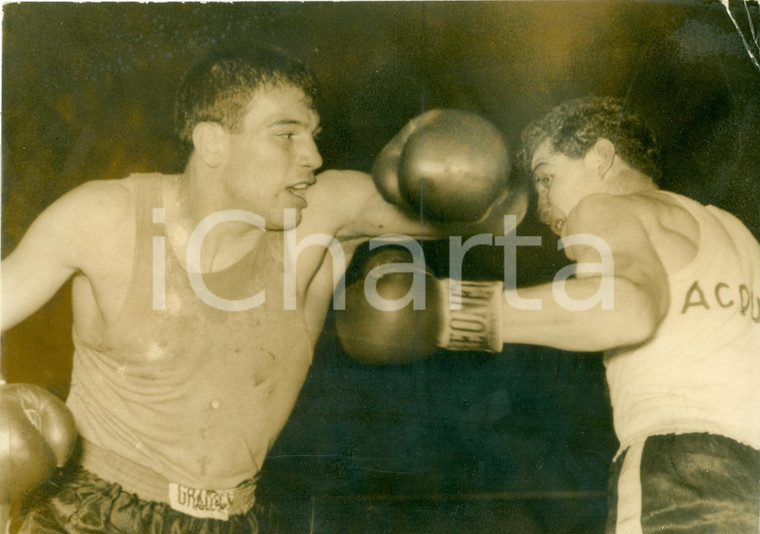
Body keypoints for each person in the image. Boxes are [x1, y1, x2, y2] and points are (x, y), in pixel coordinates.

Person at [0, 46, 527, 533]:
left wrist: (487, 179)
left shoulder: (323, 213)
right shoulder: (104, 219)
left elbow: (488, 213)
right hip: (89, 512)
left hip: (233, 518)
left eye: (314, 135)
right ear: (212, 142)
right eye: (287, 134)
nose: (314, 156)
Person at [338, 96, 760, 532]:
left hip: (684, 471)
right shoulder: (732, 231)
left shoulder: (602, 209)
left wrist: (446, 312)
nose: (542, 208)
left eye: (546, 177)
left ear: (600, 157)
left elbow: (629, 309)